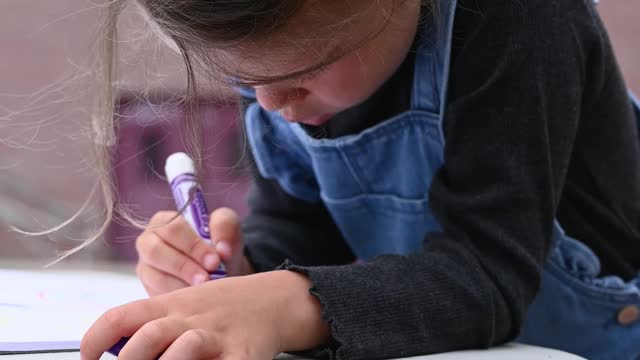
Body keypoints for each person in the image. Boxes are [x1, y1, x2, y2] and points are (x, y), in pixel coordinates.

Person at [80, 0, 640, 359]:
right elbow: (301, 232)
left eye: (296, 75)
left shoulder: (520, 19)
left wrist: (278, 306)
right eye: (245, 78)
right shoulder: (281, 67)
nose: (272, 104)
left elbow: (488, 273)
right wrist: (237, 270)